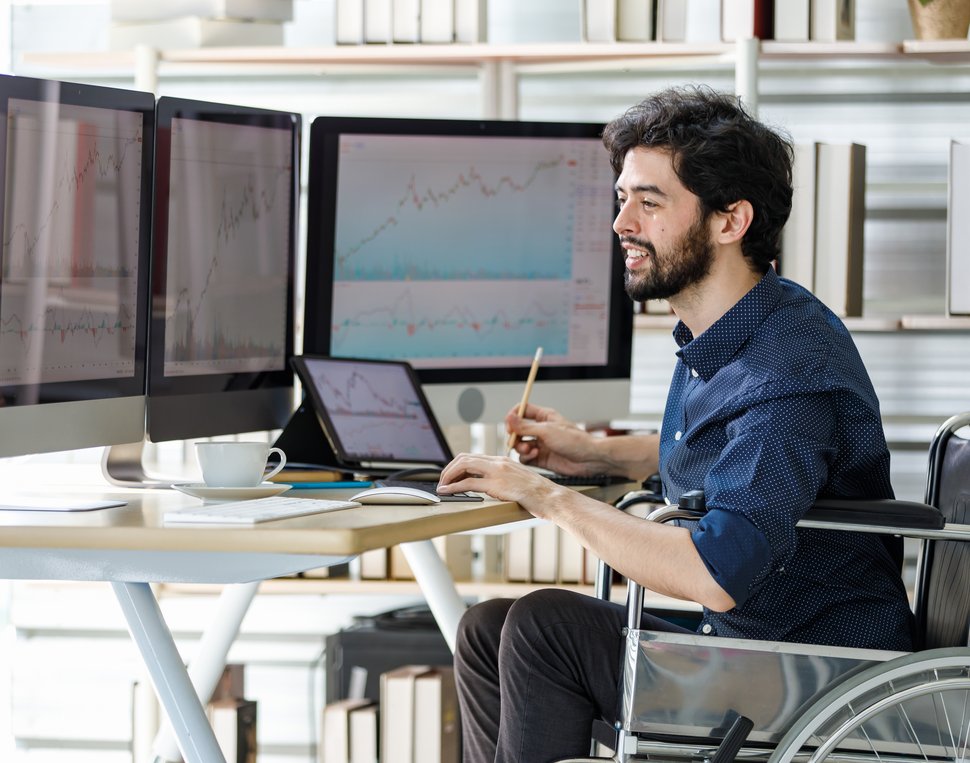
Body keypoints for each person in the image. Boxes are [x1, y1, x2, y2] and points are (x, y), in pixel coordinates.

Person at [435, 85, 915, 763]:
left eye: (649, 202)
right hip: (753, 648)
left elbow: (718, 571)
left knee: (548, 627)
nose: (621, 223)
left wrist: (545, 494)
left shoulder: (790, 372)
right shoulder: (737, 327)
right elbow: (734, 454)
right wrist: (600, 455)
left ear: (730, 220)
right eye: (621, 197)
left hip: (815, 671)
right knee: (488, 627)